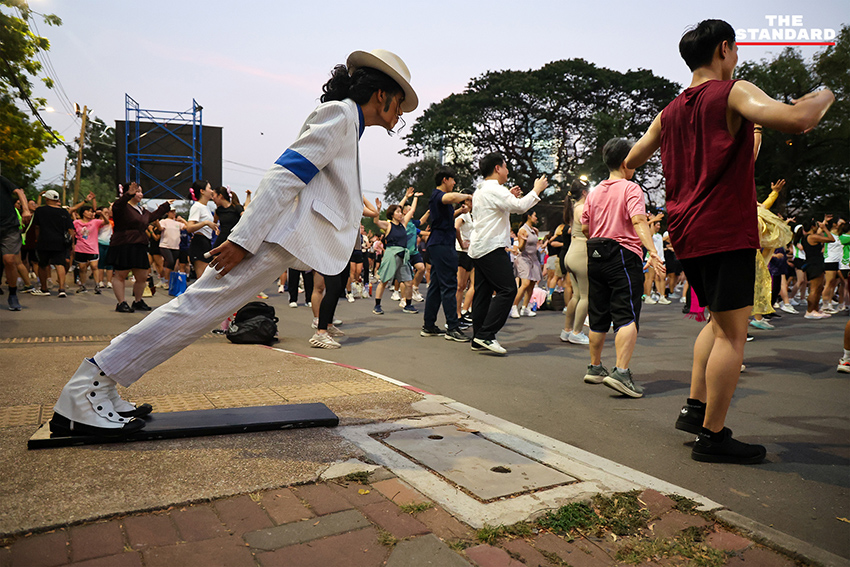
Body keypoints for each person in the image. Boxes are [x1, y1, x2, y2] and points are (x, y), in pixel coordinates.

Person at [50, 48, 418, 437]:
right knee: (197, 308)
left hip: (278, 238)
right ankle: (87, 388)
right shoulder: (341, 115)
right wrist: (243, 239)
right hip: (271, 237)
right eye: (400, 103)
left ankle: (99, 389)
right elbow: (285, 174)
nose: (400, 113)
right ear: (382, 95)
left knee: (199, 310)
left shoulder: (348, 122)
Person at [626, 19, 834, 464]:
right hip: (724, 227)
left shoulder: (670, 110)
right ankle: (713, 437)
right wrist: (824, 92)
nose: (736, 58)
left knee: (716, 326)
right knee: (732, 337)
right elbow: (799, 119)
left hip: (688, 231)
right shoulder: (732, 91)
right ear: (724, 49)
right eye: (735, 50)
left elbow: (631, 159)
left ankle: (695, 408)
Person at [581, 138, 663, 398]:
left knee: (598, 313)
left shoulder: (594, 192)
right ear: (627, 161)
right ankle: (621, 372)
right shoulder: (630, 188)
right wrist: (652, 251)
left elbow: (585, 227)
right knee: (626, 314)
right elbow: (639, 220)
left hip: (595, 254)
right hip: (623, 255)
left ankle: (595, 367)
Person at [467, 152, 547, 354]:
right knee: (508, 289)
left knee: (483, 293)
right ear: (497, 168)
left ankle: (479, 337)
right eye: (505, 166)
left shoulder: (483, 190)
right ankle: (486, 334)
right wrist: (536, 190)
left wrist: (508, 195)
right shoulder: (494, 189)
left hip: (480, 247)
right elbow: (519, 207)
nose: (507, 170)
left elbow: (501, 209)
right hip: (491, 247)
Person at [421, 166, 472, 341]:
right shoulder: (439, 195)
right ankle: (452, 327)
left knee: (435, 286)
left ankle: (428, 326)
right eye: (452, 180)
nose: (454, 183)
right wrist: (467, 196)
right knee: (450, 284)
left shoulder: (442, 201)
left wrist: (459, 212)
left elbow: (447, 220)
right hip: (442, 244)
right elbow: (450, 197)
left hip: (440, 243)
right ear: (445, 180)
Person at [106, 183, 171, 312]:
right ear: (128, 193)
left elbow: (152, 217)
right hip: (124, 244)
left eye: (141, 191)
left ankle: (138, 301)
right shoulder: (121, 207)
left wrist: (166, 205)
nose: (140, 194)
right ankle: (121, 303)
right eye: (137, 191)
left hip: (140, 245)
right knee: (120, 274)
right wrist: (128, 194)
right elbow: (117, 206)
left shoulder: (142, 210)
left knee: (142, 276)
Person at [372, 196, 419, 315]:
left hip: (403, 254)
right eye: (398, 212)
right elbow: (376, 221)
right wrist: (378, 209)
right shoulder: (388, 226)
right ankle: (377, 305)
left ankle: (408, 305)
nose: (401, 213)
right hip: (391, 253)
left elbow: (412, 210)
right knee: (384, 280)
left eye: (401, 211)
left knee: (408, 282)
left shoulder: (403, 224)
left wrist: (414, 197)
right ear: (392, 215)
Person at [561, 178, 590, 345]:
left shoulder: (573, 208)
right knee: (587, 296)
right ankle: (577, 332)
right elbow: (589, 230)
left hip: (571, 253)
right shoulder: (583, 208)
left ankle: (567, 330)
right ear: (585, 192)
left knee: (576, 295)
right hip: (581, 253)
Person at [31, 189, 74, 298]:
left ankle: (44, 288)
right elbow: (70, 229)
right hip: (60, 241)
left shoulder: (40, 211)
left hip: (44, 240)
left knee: (43, 264)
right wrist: (71, 243)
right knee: (60, 264)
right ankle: (62, 288)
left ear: (47, 198)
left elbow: (37, 227)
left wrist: (37, 239)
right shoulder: (64, 212)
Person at [1, 175, 32, 311]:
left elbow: (19, 191)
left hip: (9, 227)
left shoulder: (2, 180)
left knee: (9, 260)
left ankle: (13, 294)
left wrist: (25, 209)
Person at [510, 210, 542, 318]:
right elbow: (520, 248)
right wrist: (523, 240)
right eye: (535, 215)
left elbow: (535, 245)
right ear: (529, 216)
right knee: (525, 283)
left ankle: (525, 307)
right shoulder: (523, 230)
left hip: (534, 259)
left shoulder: (534, 230)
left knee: (532, 284)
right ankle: (514, 306)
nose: (536, 218)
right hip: (524, 258)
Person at [186, 180, 218, 280]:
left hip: (206, 242)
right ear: (202, 191)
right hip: (199, 243)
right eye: (209, 188)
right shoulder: (197, 207)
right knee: (202, 280)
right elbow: (189, 228)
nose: (212, 191)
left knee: (206, 279)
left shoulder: (206, 207)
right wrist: (205, 223)